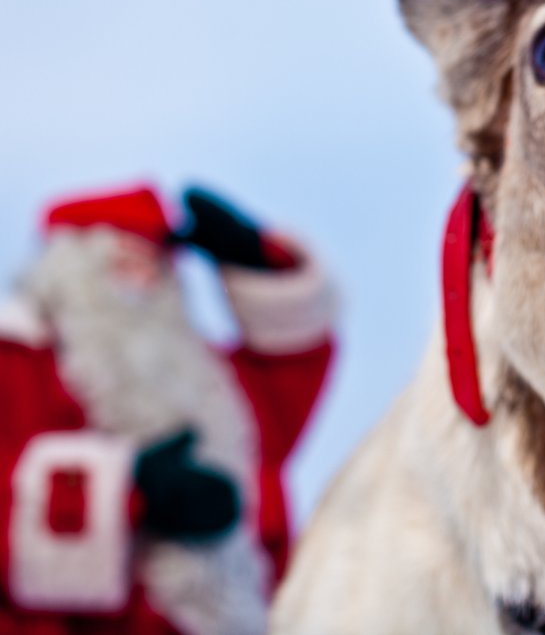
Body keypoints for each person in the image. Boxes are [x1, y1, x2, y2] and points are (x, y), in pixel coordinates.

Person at [0, 183, 336, 634]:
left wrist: (261, 265)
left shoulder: (204, 382)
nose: (142, 282)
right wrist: (128, 489)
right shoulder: (18, 358)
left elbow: (286, 384)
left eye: (155, 267)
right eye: (121, 265)